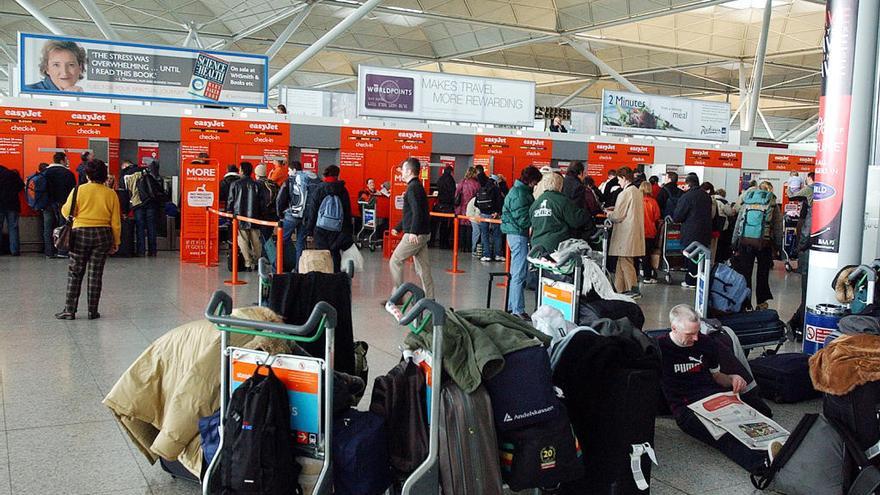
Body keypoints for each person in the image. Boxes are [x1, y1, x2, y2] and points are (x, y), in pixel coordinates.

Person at [658, 305, 770, 472]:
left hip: (714, 396)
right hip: (686, 407)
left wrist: (733, 378)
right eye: (690, 334)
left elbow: (717, 376)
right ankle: (761, 464)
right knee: (721, 434)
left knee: (761, 412)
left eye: (697, 332)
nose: (695, 338)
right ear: (674, 328)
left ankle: (780, 446)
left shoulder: (705, 343)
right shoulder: (659, 348)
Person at [55, 160, 120, 320]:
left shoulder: (78, 190)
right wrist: (116, 242)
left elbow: (66, 211)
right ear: (104, 175)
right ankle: (92, 311)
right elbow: (116, 222)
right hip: (103, 234)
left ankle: (70, 310)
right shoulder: (110, 193)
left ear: (87, 174)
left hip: (80, 234)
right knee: (95, 274)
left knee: (75, 272)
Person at [731, 181, 783, 311]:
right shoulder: (772, 204)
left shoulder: (747, 203)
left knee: (745, 273)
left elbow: (739, 224)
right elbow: (777, 227)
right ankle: (761, 302)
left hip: (746, 242)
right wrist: (777, 245)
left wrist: (734, 243)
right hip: (764, 243)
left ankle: (746, 302)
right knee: (763, 273)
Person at [502, 166, 543, 319]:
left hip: (514, 234)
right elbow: (523, 219)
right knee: (519, 273)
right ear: (531, 181)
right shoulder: (520, 194)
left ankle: (514, 306)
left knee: (516, 272)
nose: (536, 185)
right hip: (518, 235)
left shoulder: (517, 191)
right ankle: (518, 310)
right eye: (535, 182)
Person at [389, 158, 434, 299]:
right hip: (422, 233)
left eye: (402, 169)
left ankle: (397, 296)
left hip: (415, 235)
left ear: (409, 171)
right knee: (423, 269)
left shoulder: (413, 188)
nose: (401, 173)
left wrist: (412, 231)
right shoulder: (417, 187)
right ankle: (430, 298)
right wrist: (399, 227)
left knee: (395, 260)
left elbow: (417, 212)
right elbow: (412, 213)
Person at [606, 167, 645, 298]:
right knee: (621, 262)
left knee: (625, 261)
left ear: (624, 178)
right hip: (634, 232)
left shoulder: (625, 193)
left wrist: (609, 213)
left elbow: (619, 215)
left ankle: (633, 289)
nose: (619, 183)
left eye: (619, 180)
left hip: (625, 234)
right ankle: (619, 289)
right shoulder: (638, 192)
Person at [306, 165, 354, 272]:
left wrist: (309, 231)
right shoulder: (343, 190)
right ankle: (336, 277)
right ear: (338, 175)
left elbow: (313, 211)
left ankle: (324, 277)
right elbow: (347, 212)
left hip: (320, 228)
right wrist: (348, 231)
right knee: (335, 253)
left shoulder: (319, 189)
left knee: (322, 254)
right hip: (338, 229)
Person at [530, 173, 589, 254]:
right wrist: (586, 214)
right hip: (557, 246)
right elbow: (575, 221)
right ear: (560, 185)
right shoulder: (562, 201)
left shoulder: (536, 202)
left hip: (536, 246)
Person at [276, 161, 319, 270]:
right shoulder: (313, 179)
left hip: (292, 215)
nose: (289, 173)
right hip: (307, 216)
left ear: (294, 170)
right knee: (301, 242)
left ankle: (277, 267)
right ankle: (298, 269)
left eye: (289, 170)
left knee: (282, 239)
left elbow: (280, 199)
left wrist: (280, 214)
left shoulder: (290, 180)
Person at [673, 175, 713, 288]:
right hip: (705, 231)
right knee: (701, 256)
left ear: (688, 184)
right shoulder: (707, 196)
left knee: (691, 256)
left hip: (691, 231)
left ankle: (691, 280)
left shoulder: (687, 197)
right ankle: (700, 279)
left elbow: (678, 216)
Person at [226, 162, 267, 271]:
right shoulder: (257, 185)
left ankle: (248, 263)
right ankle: (258, 263)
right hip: (255, 217)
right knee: (256, 242)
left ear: (242, 171)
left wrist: (229, 216)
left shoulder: (235, 184)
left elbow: (230, 202)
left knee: (243, 241)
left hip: (240, 218)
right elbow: (262, 203)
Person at [788, 173, 815, 334]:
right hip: (818, 251)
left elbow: (806, 231)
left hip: (808, 252)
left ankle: (799, 324)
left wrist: (799, 248)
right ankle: (799, 323)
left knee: (806, 291)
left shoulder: (809, 202)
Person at [43, 152, 77, 258]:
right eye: (66, 160)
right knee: (63, 227)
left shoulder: (45, 172)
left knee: (48, 227)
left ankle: (49, 251)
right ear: (62, 160)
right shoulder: (68, 173)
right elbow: (73, 191)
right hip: (63, 203)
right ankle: (62, 251)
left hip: (47, 204)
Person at [475, 174, 504, 262]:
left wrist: (483, 210)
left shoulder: (482, 188)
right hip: (494, 215)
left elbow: (476, 203)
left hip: (483, 215)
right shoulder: (496, 189)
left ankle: (486, 255)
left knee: (484, 234)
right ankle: (497, 255)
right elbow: (500, 202)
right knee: (497, 235)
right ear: (495, 181)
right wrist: (497, 212)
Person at [454, 166, 481, 254]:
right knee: (471, 228)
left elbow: (456, 194)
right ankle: (469, 246)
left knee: (462, 228)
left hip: (461, 208)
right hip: (472, 208)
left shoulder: (462, 182)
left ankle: (461, 246)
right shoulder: (477, 184)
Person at [638, 181, 661, 284]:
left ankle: (639, 273)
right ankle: (648, 276)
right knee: (647, 254)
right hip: (650, 232)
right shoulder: (653, 202)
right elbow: (657, 217)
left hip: (638, 231)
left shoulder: (637, 201)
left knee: (639, 254)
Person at [0, 164, 24, 256]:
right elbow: (21, 186)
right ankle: (14, 250)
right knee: (13, 227)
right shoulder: (12, 174)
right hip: (12, 204)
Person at [432, 166, 456, 249]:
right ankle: (444, 243)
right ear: (451, 172)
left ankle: (433, 241)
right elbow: (453, 193)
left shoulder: (440, 179)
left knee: (438, 225)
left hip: (439, 205)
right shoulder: (451, 180)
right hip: (448, 206)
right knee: (446, 225)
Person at [255, 164, 280, 240]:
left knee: (260, 238)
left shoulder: (256, 184)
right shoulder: (273, 184)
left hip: (261, 216)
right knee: (267, 237)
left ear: (256, 174)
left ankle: (265, 251)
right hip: (273, 215)